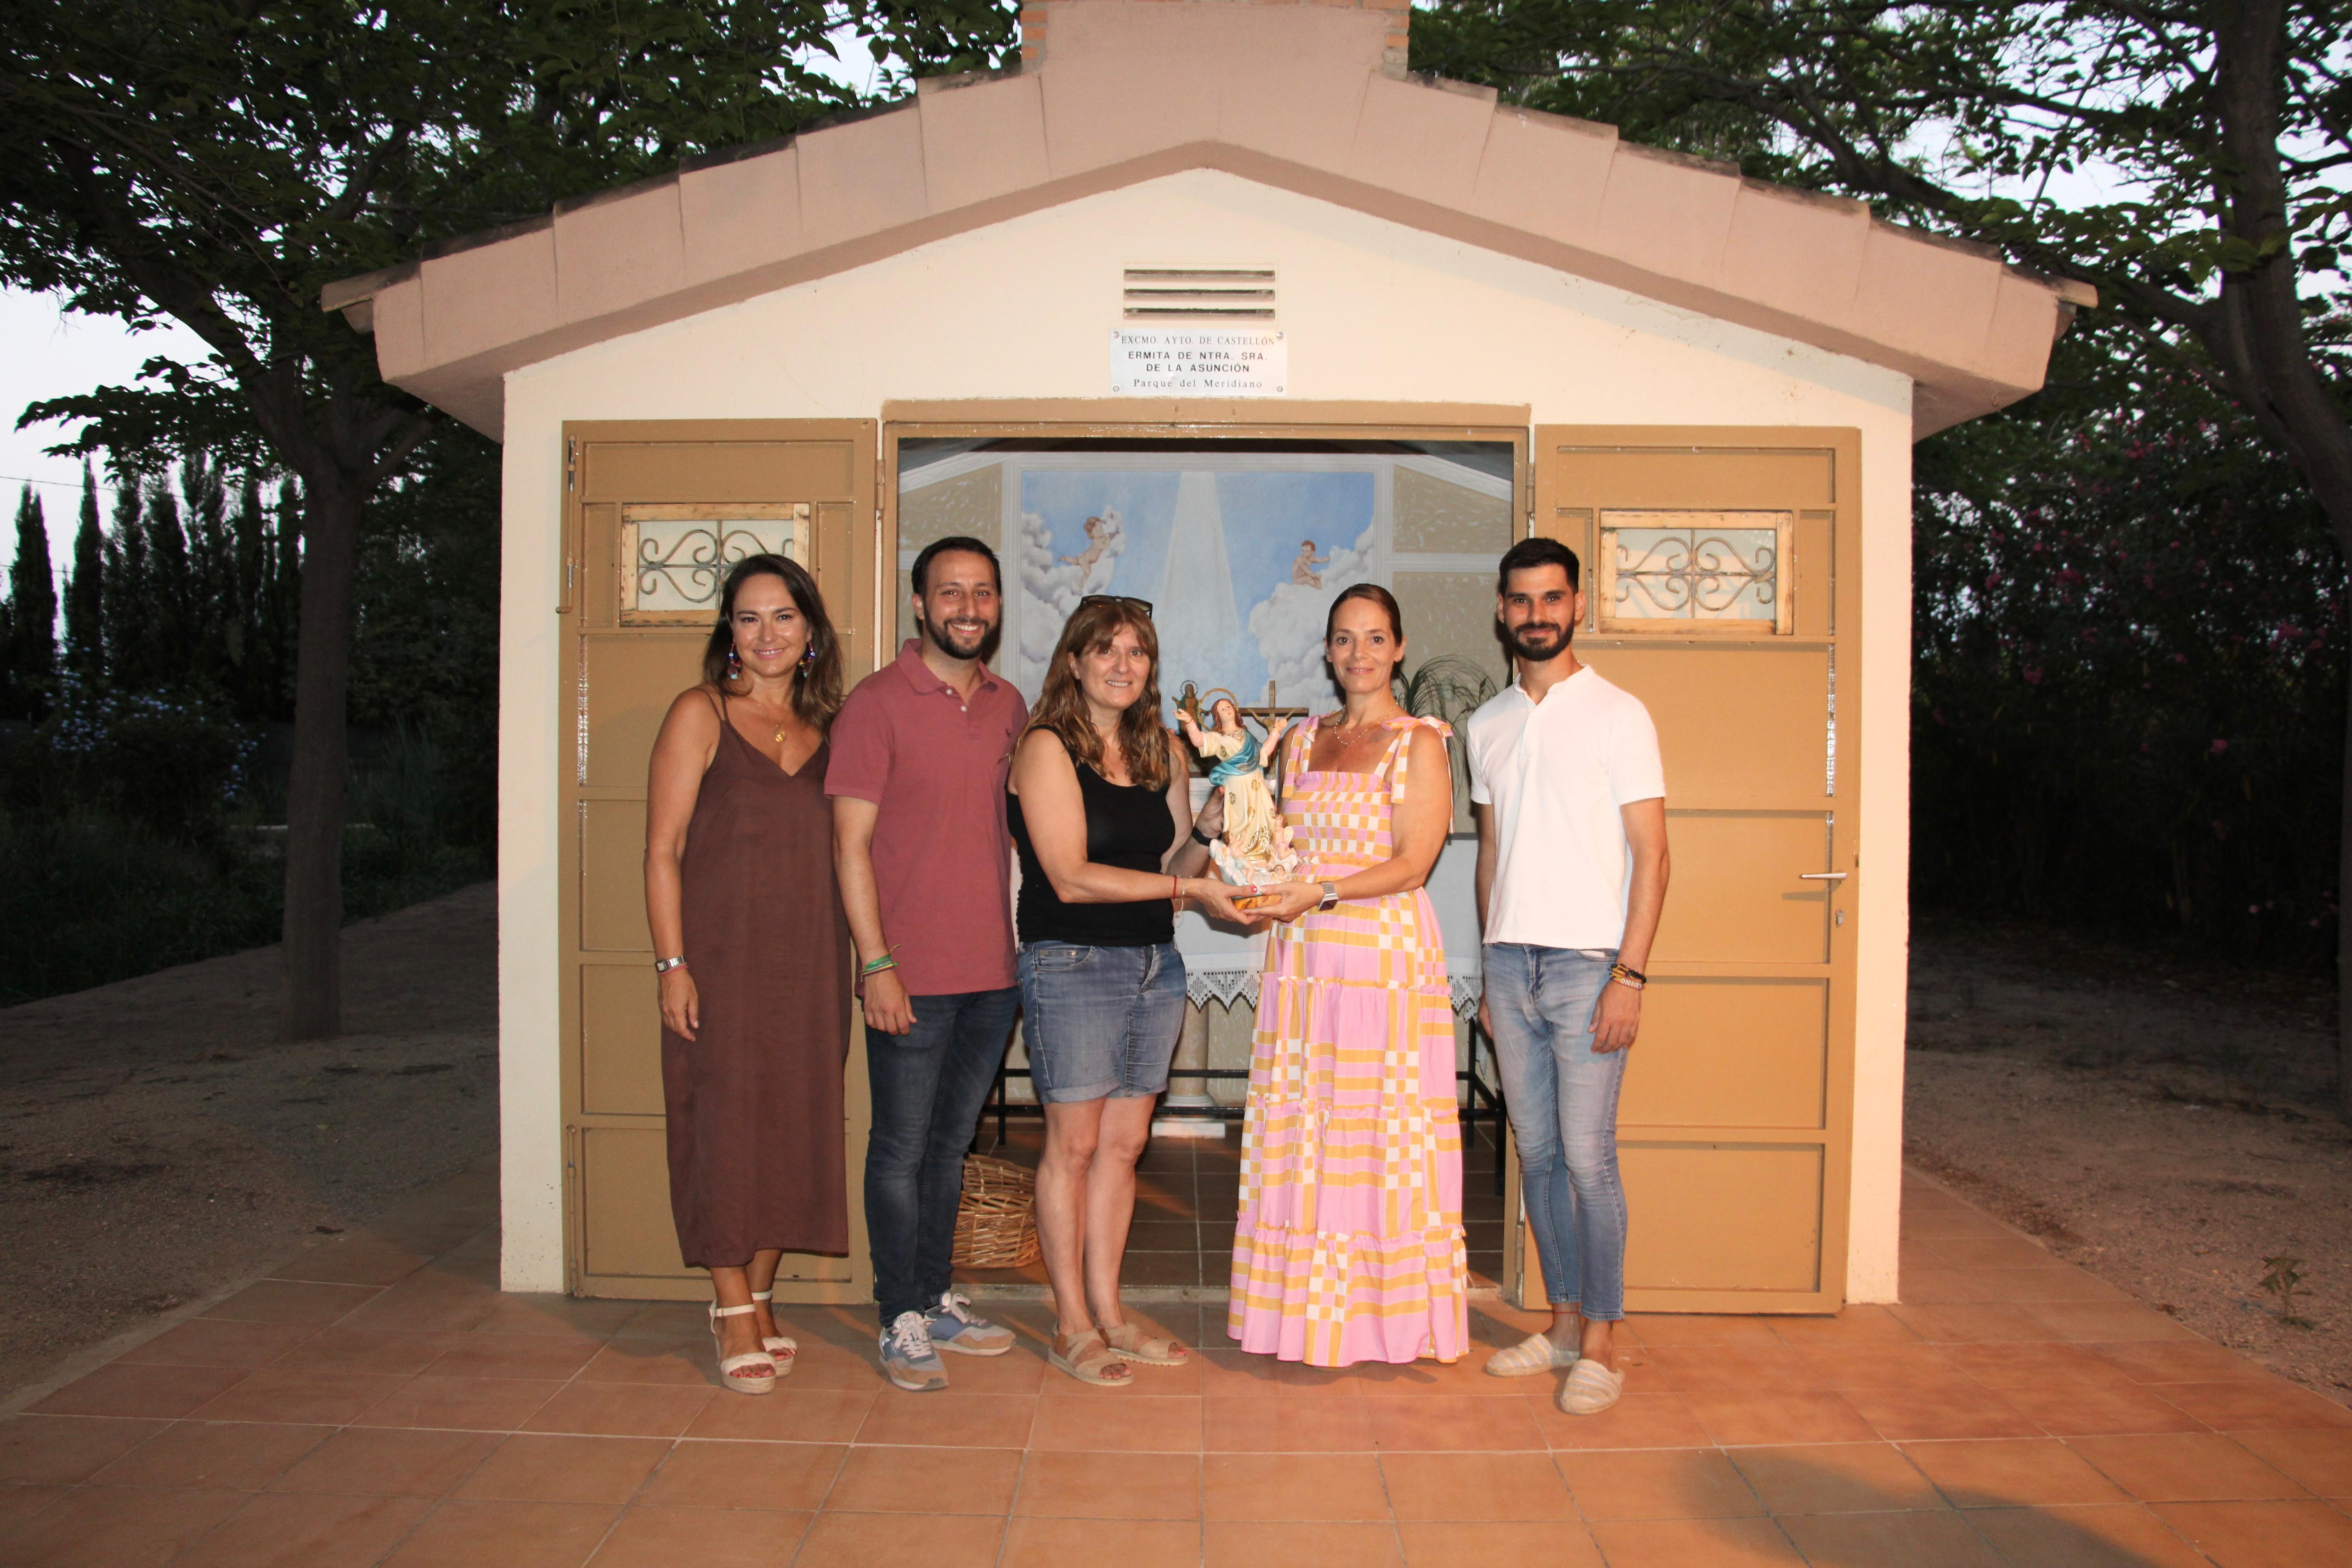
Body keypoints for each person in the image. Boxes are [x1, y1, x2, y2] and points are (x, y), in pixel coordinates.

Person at [1009, 596, 1248, 1385]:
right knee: (1072, 1148)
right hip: (1071, 960)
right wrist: (1195, 896)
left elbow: (1172, 868)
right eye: (1105, 649)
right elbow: (1071, 878)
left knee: (1124, 1146)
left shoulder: (1163, 752)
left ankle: (1111, 1311)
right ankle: (1070, 1321)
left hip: (1154, 965)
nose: (1123, 664)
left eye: (1138, 651)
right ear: (1073, 661)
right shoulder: (1045, 748)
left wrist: (1210, 833)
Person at [1227, 584, 1467, 1366]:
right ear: (1327, 651)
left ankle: (1378, 1320)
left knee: (1374, 1132)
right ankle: (1300, 1315)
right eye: (1343, 638)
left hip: (1380, 957)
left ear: (1398, 647)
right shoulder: (1301, 738)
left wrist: (1321, 890)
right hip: (1303, 955)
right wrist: (1261, 874)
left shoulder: (1420, 741)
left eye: (1375, 638)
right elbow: (1278, 839)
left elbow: (1412, 863)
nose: (1359, 653)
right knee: (1305, 1129)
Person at [1466, 536, 1669, 1416]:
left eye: (1552, 599)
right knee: (1538, 1154)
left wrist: (1631, 973)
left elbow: (1654, 856)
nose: (1536, 614)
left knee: (1589, 1159)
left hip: (1591, 967)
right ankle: (1558, 1322)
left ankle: (1601, 1344)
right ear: (1503, 610)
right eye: (1521, 600)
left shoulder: (1621, 713)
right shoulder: (1486, 723)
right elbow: (1493, 855)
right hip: (1510, 966)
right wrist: (1484, 967)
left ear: (1576, 605)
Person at [643, 553, 849, 1396]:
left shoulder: (831, 728)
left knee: (794, 1124)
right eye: (749, 617)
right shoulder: (700, 713)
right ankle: (730, 1305)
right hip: (720, 961)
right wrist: (672, 963)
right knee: (724, 1125)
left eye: (784, 617)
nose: (767, 634)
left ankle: (761, 1291)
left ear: (810, 632)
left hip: (811, 961)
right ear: (728, 630)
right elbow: (662, 849)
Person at [828, 535, 1028, 1392]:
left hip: (994, 973)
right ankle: (897, 1313)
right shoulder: (876, 703)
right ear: (920, 605)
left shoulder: (1009, 703)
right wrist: (876, 962)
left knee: (950, 1146)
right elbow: (850, 844)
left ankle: (938, 1294)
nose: (968, 607)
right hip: (908, 975)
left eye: (982, 592)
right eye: (951, 592)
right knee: (901, 1148)